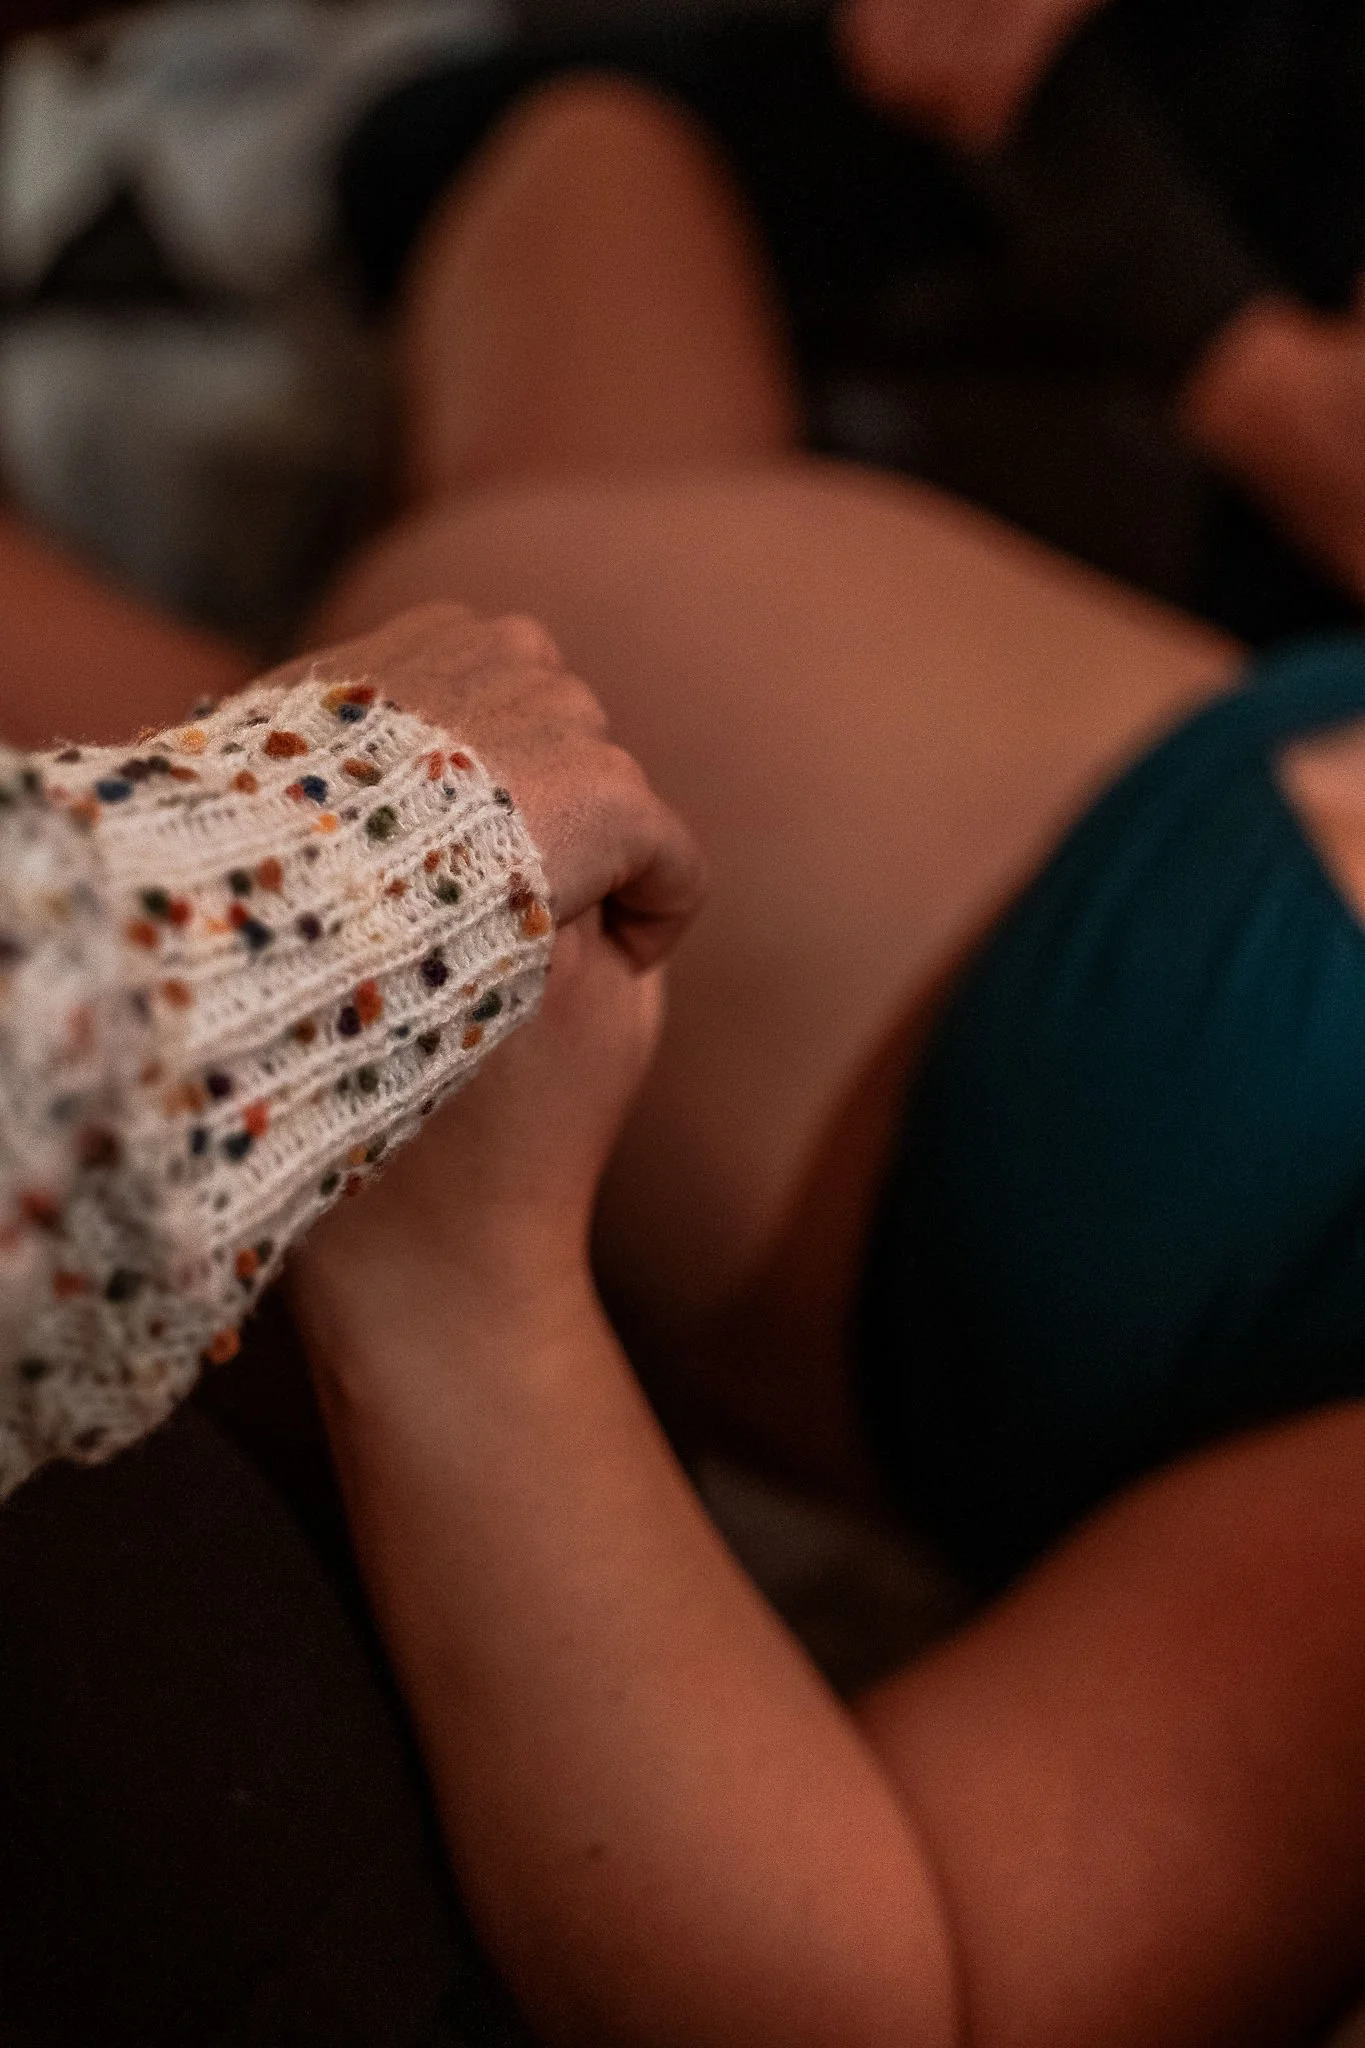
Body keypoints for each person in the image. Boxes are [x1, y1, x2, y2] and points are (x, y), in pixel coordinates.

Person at [6, 62, 1365, 2048]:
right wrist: (1246, 368)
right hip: (537, 619)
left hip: (400, 913)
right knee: (582, 132)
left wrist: (467, 1279)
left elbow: (899, 1987)